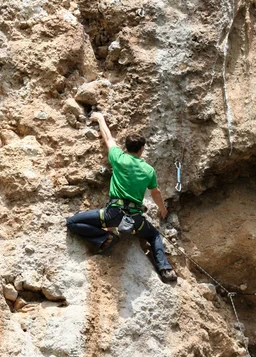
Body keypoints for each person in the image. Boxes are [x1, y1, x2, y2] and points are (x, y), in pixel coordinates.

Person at [66, 112, 178, 283]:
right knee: (154, 235)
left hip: (112, 215)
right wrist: (163, 210)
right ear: (142, 149)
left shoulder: (118, 158)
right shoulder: (149, 170)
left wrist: (100, 119)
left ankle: (104, 238)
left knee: (72, 222)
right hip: (135, 222)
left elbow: (108, 138)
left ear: (126, 147)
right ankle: (165, 269)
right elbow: (156, 193)